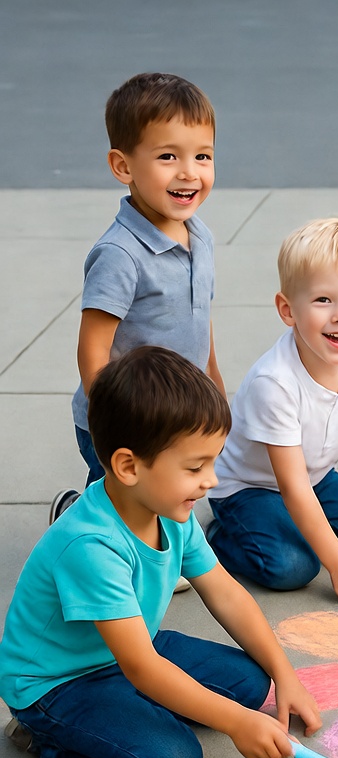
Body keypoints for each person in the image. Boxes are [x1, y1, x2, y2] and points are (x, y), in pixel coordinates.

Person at [0, 347, 320, 758]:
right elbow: (143, 668)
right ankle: (43, 739)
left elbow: (226, 593)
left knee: (252, 683)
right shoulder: (91, 546)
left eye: (212, 462)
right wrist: (234, 723)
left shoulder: (172, 510)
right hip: (59, 683)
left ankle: (131, 711)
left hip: (128, 650)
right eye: (195, 467)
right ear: (129, 466)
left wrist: (286, 674)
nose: (210, 480)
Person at [206, 218, 338, 606]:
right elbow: (291, 487)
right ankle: (219, 538)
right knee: (293, 567)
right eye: (323, 300)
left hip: (316, 478)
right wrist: (337, 565)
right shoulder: (275, 382)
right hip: (249, 489)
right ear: (287, 310)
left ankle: (300, 531)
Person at [52, 73, 224, 523]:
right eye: (168, 156)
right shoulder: (120, 255)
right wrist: (114, 423)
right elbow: (94, 347)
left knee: (157, 501)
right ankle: (77, 519)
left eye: (202, 156)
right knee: (120, 507)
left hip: (175, 414)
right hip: (124, 418)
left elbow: (198, 318)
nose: (189, 171)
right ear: (123, 166)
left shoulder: (199, 236)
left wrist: (214, 386)